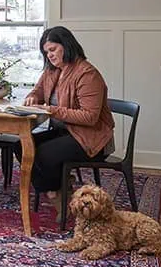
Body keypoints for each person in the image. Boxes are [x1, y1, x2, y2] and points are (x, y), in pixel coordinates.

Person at [23, 26, 115, 211]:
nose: (49, 55)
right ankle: (58, 188)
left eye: (52, 49)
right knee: (22, 144)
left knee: (42, 154)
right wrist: (33, 96)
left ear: (66, 45)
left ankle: (57, 194)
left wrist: (52, 110)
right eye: (46, 52)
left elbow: (90, 117)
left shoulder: (87, 74)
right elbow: (38, 90)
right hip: (65, 132)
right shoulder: (52, 71)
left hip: (91, 139)